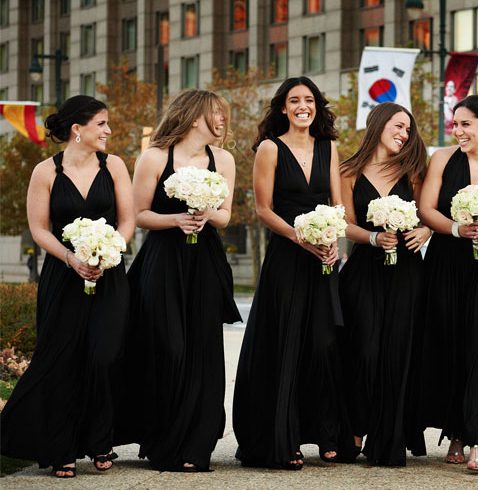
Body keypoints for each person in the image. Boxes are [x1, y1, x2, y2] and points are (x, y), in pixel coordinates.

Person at [0, 96, 134, 478]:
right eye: (102, 124)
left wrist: (108, 251)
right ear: (78, 129)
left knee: (104, 355)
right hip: (62, 276)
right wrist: (72, 259)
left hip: (109, 275)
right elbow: (39, 228)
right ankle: (62, 448)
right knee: (62, 360)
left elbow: (127, 222)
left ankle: (100, 439)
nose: (108, 131)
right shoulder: (45, 171)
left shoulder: (116, 166)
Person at [114, 89, 240, 472]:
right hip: (164, 261)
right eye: (215, 114)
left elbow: (226, 216)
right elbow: (138, 214)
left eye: (223, 115)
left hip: (204, 262)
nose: (221, 120)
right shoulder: (154, 157)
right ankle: (162, 439)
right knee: (168, 345)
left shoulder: (224, 159)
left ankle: (195, 446)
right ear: (193, 115)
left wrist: (206, 211)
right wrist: (175, 220)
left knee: (203, 350)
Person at [232, 77, 345, 470]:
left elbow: (337, 204)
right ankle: (286, 437)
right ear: (283, 108)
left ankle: (327, 433)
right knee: (288, 343)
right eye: (294, 100)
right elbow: (263, 209)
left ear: (316, 107)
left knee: (324, 343)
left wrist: (334, 242)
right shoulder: (269, 148)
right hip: (287, 255)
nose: (302, 106)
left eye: (309, 100)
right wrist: (302, 238)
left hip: (323, 259)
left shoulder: (329, 147)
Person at [415, 95, 478, 472]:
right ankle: (455, 432)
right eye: (455, 124)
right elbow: (426, 208)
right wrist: (458, 229)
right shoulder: (442, 159)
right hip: (445, 260)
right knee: (449, 344)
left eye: (465, 124)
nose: (458, 131)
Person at [337, 102, 431, 466]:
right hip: (364, 269)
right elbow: (345, 223)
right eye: (398, 126)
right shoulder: (348, 171)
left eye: (408, 129)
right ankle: (356, 425)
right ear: (378, 125)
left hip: (406, 270)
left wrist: (423, 229)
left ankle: (387, 436)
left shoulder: (413, 172)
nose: (404, 134)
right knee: (364, 349)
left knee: (397, 351)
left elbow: (428, 214)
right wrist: (373, 238)